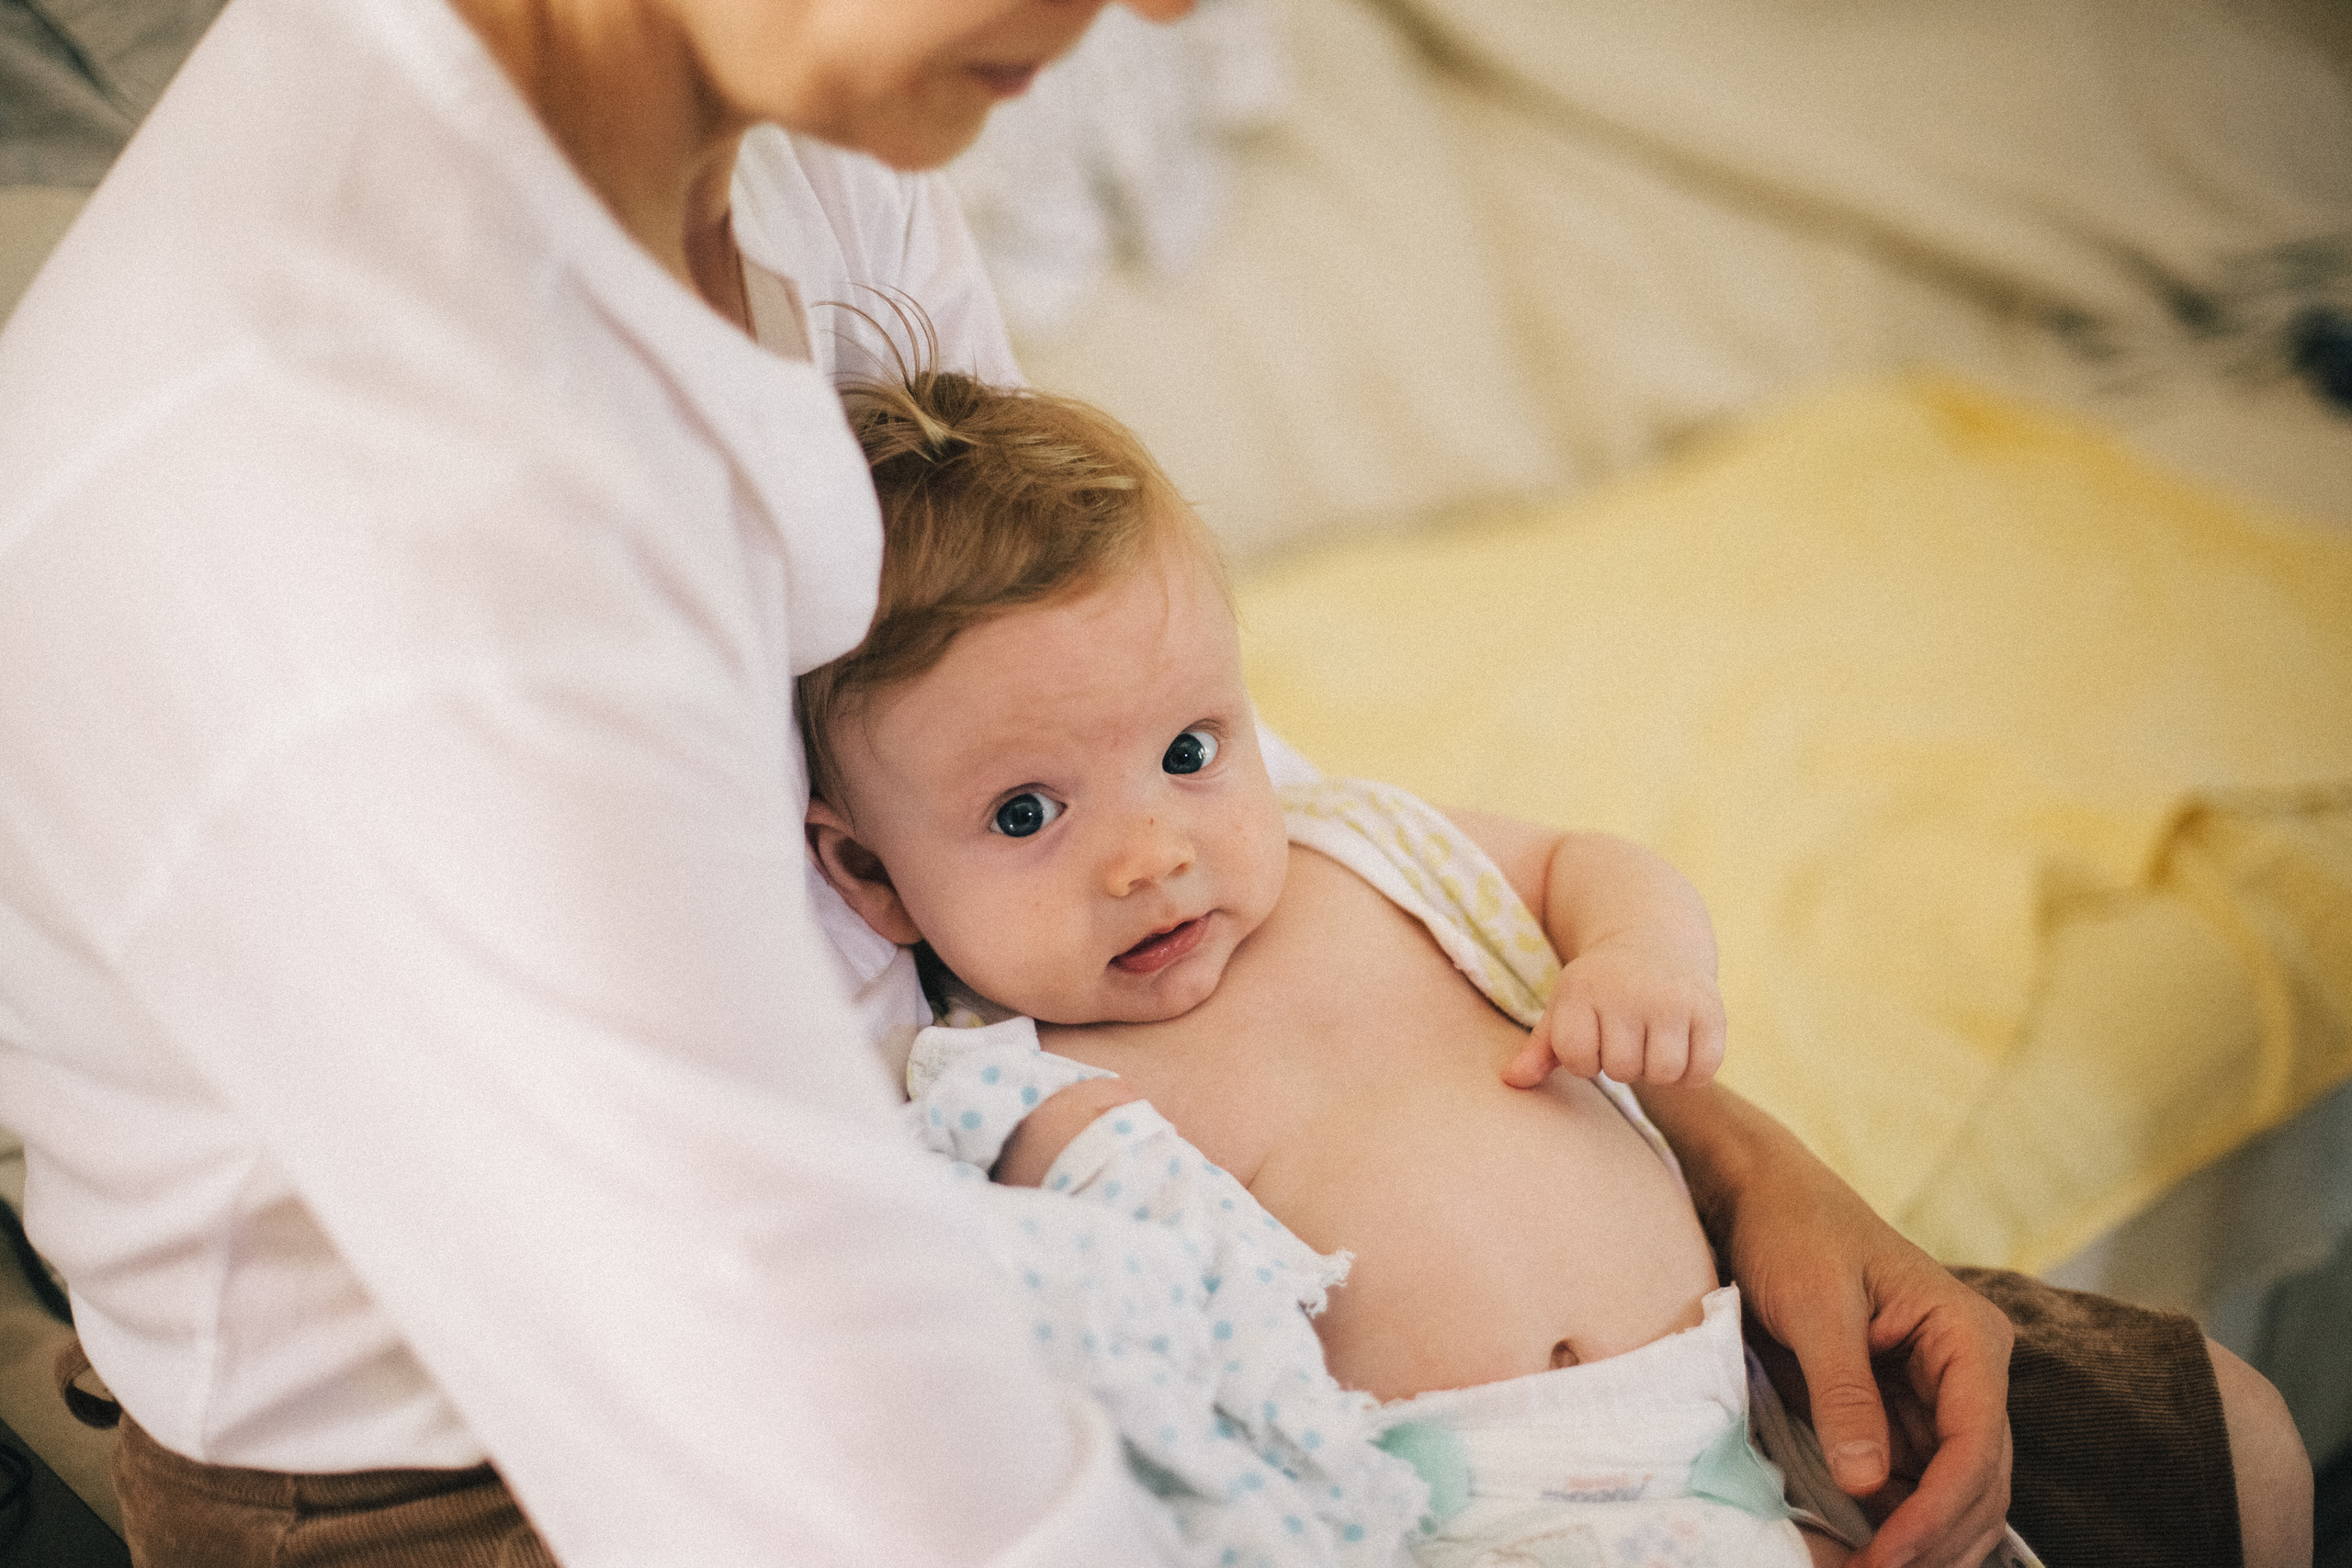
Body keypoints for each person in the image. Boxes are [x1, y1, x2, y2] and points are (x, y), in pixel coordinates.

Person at [0, 0, 2303, 1564]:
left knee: (2215, 1450)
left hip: (991, 1228)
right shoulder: (331, 506)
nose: (1179, 14)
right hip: (526, 1466)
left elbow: (1100, 726)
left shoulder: (788, 159)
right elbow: (846, 1463)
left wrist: (1729, 1159)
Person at [798, 367, 2059, 1567]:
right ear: (868, 879)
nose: (1152, 856)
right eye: (1027, 814)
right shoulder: (1009, 1092)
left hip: (1736, 1429)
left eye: (1189, 750)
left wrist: (1639, 955)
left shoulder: (1359, 851)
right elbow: (1112, 1341)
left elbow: (1577, 861)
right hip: (1457, 1519)